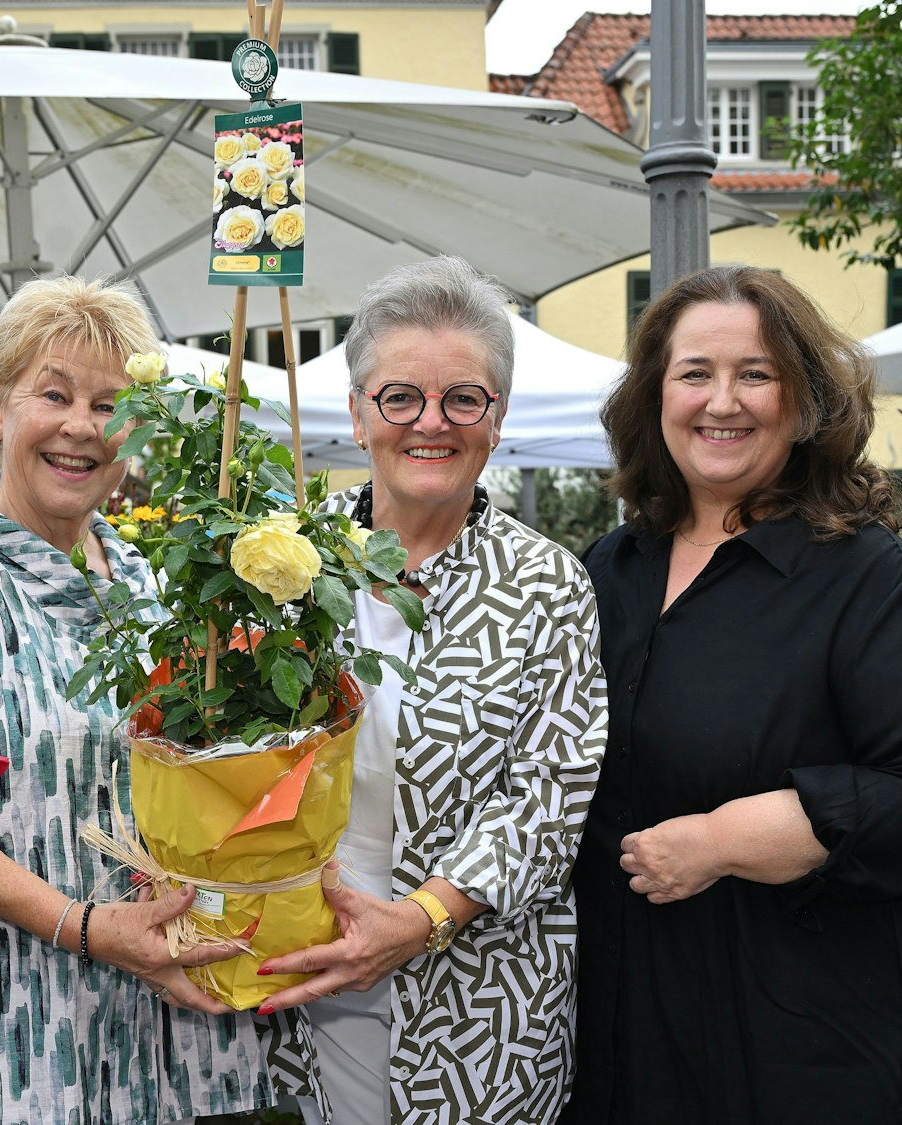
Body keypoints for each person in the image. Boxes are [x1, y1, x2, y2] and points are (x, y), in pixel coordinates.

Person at [565, 266, 902, 1125]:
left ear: (804, 404)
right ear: (655, 396)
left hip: (822, 1039)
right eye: (695, 373)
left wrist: (732, 836)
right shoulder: (608, 570)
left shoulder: (866, 575)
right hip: (640, 1029)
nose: (721, 401)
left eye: (755, 374)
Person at [0, 276, 275, 1125]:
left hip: (147, 1009)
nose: (82, 425)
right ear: (0, 407)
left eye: (111, 403)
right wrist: (84, 926)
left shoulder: (158, 585)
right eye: (55, 393)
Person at [248, 257, 607, 1125]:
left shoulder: (546, 584)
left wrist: (417, 920)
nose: (430, 423)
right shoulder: (282, 560)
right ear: (361, 408)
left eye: (463, 399)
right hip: (299, 977)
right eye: (401, 396)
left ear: (498, 417)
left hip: (477, 1003)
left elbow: (548, 799)